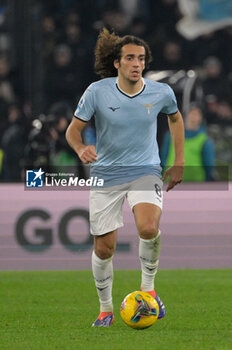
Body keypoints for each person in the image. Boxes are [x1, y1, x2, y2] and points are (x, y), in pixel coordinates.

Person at [65, 28, 185, 327]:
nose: (137, 64)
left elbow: (175, 118)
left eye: (141, 59)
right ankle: (105, 309)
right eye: (130, 58)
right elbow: (73, 130)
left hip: (145, 170)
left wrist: (179, 160)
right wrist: (80, 148)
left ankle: (148, 291)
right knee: (104, 249)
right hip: (106, 175)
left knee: (148, 227)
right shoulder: (97, 91)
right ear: (117, 63)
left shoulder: (161, 92)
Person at [161, 103, 215, 181]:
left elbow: (209, 165)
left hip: (194, 185)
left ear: (201, 118)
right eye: (191, 114)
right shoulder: (171, 135)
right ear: (185, 116)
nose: (193, 117)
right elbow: (163, 158)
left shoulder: (205, 141)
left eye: (196, 114)